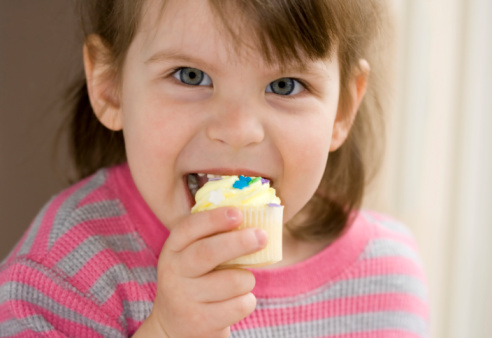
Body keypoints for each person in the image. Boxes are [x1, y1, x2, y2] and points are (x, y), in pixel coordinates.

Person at [0, 0, 429, 337]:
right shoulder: (61, 273)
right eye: (190, 76)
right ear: (110, 86)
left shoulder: (387, 276)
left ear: (342, 110)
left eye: (285, 86)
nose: (238, 131)